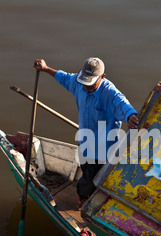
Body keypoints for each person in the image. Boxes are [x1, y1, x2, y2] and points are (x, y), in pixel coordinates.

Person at [34, 57, 139, 209]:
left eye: (90, 83)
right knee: (86, 170)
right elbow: (63, 77)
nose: (86, 86)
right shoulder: (78, 83)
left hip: (103, 150)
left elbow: (123, 105)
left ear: (102, 77)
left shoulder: (110, 94)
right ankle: (87, 195)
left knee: (88, 181)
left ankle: (82, 200)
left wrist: (131, 116)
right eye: (84, 81)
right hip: (84, 141)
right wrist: (45, 68)